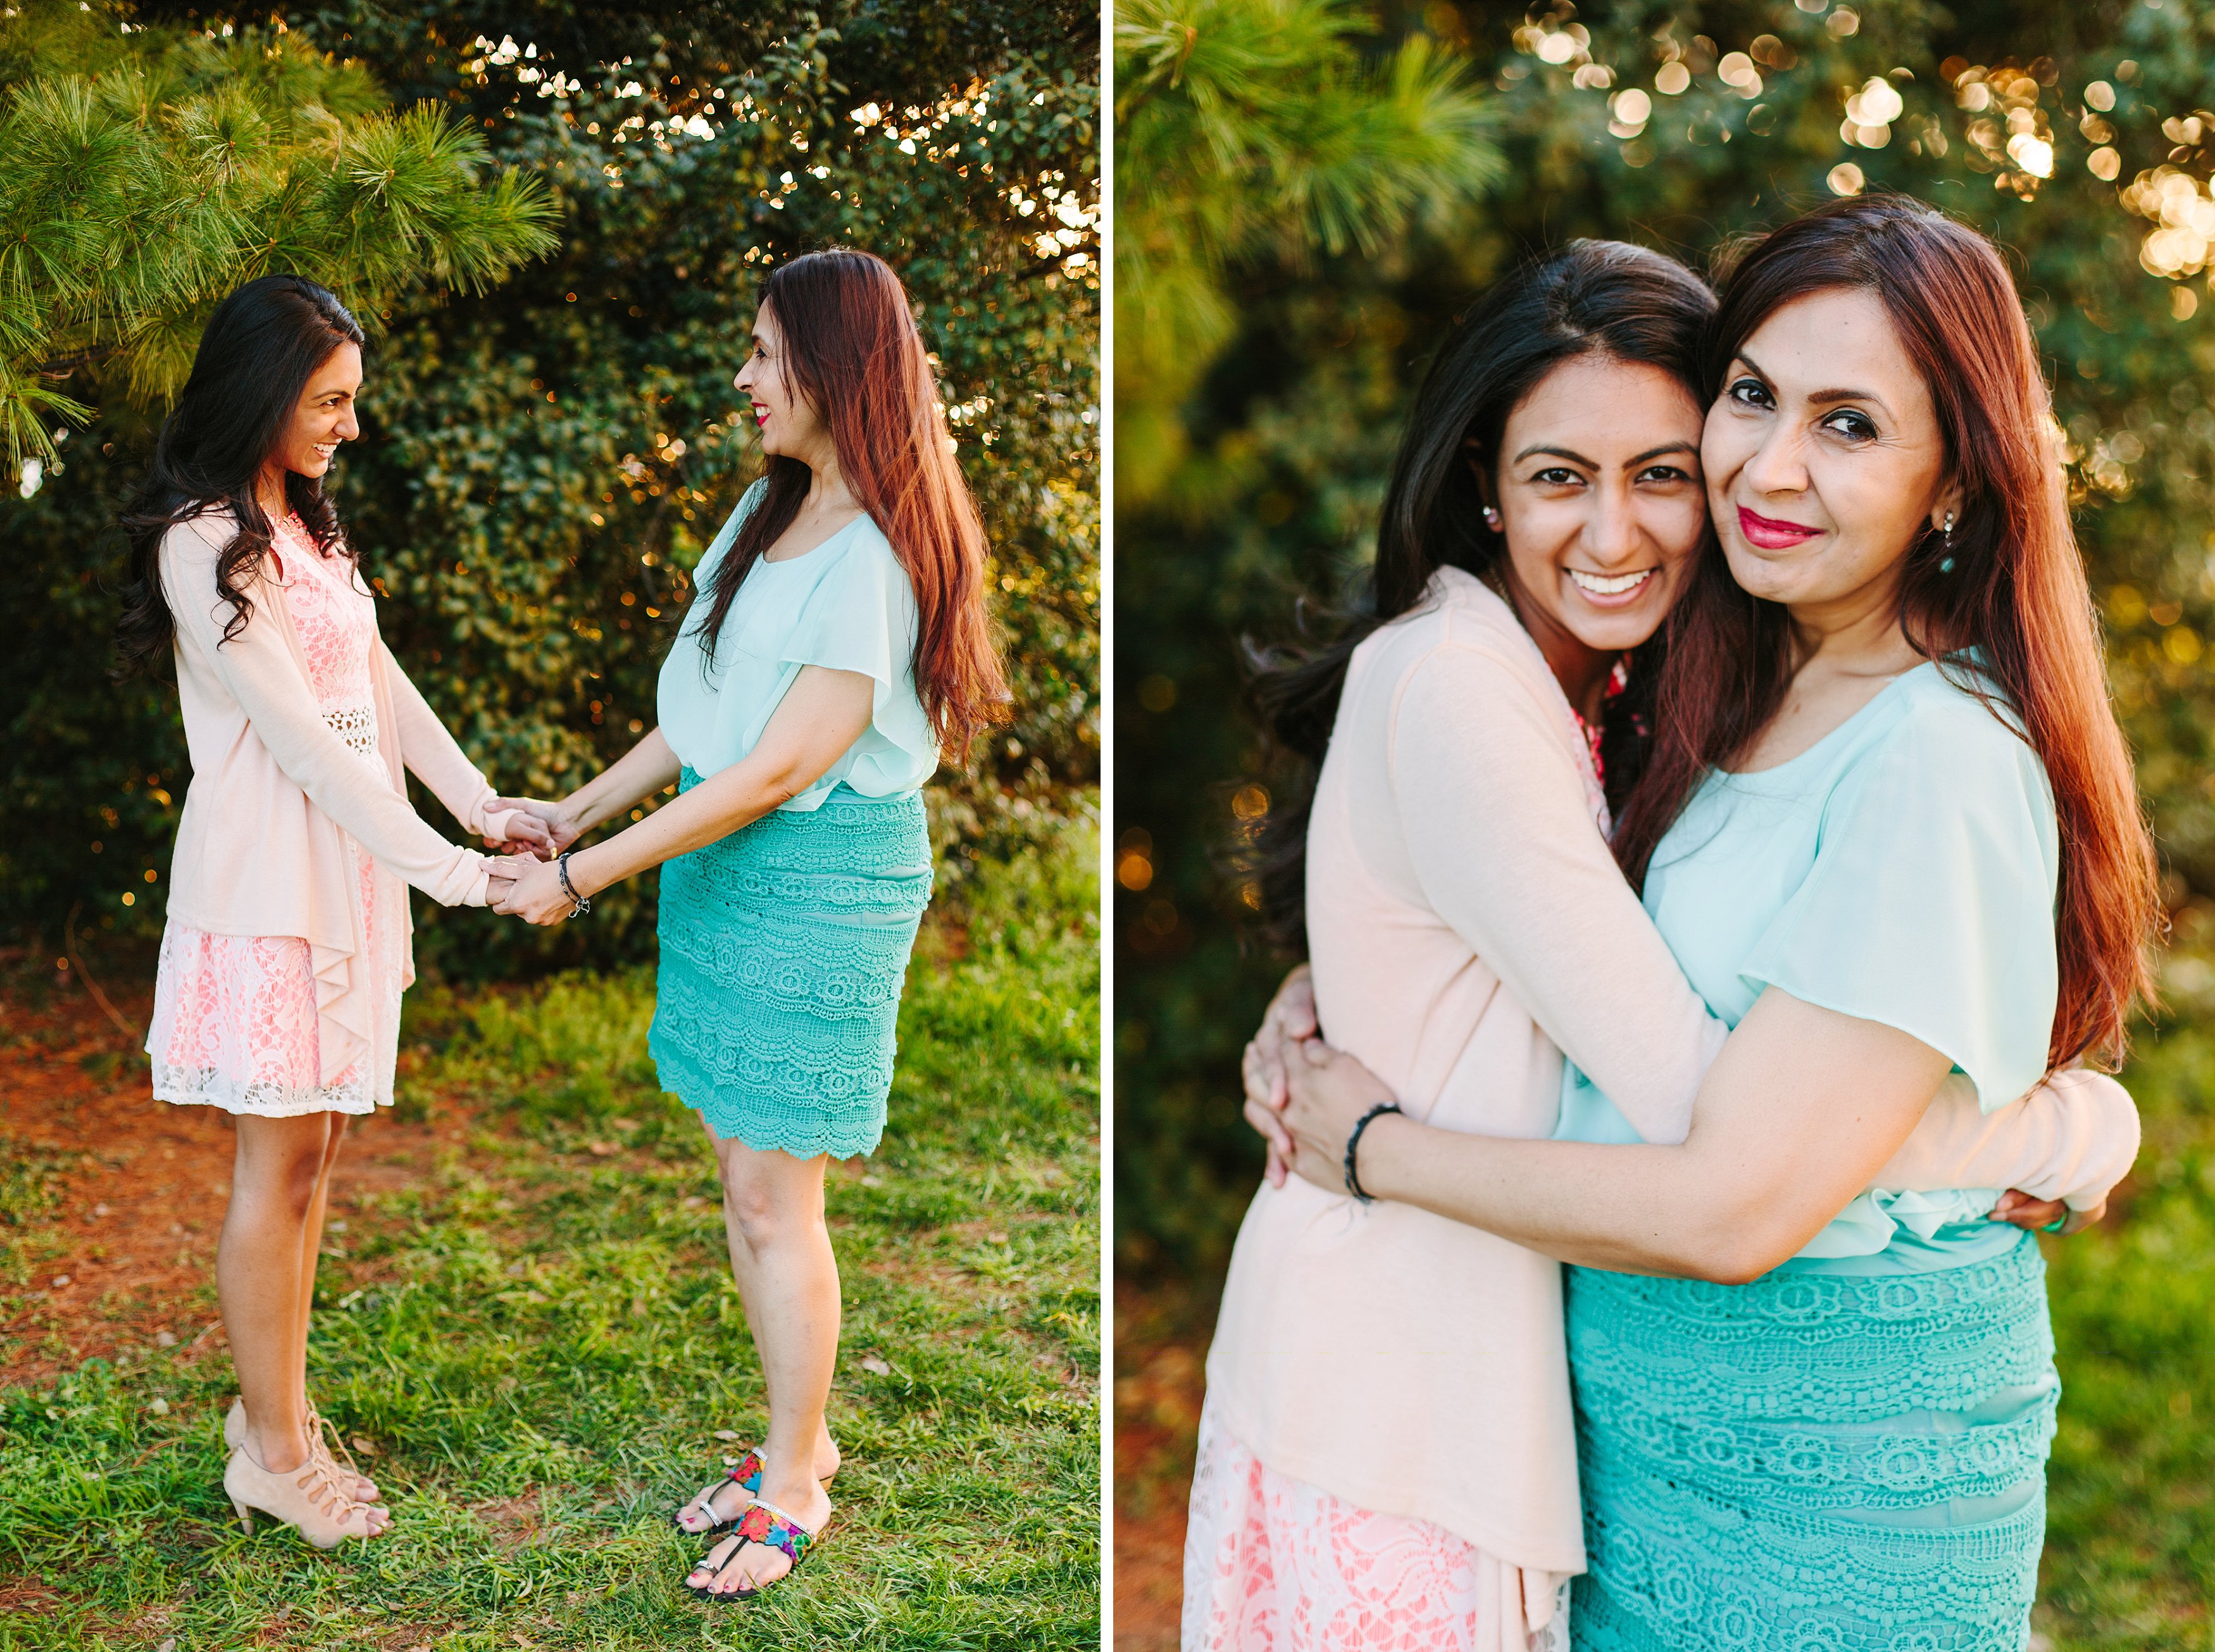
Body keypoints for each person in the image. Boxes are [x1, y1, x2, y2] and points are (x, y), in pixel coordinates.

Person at [1252, 197, 2159, 1650]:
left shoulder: (1934, 756)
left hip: (1836, 1458)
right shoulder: (1711, 679)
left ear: (1953, 480)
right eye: (1751, 397)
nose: (1770, 465)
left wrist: (1369, 1147)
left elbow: (1740, 1199)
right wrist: (1338, 986)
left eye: (1849, 425)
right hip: (1633, 1439)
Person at [489, 247, 1006, 1600]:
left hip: (820, 876)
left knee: (780, 1202)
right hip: (723, 870)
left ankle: (791, 1484)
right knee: (745, 1180)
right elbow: (700, 714)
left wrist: (586, 878)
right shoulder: (763, 515)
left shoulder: (883, 561)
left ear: (836, 370)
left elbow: (779, 770)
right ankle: (802, 1440)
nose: (744, 376)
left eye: (767, 351)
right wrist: (571, 810)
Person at [115, 275, 546, 1548]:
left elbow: (374, 680)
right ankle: (278, 1457)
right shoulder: (200, 539)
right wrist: (460, 878)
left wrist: (482, 808)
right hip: (268, 880)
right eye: (330, 403)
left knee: (315, 1163)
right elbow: (303, 746)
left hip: (353, 866)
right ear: (263, 391)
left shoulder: (305, 525)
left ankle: (275, 1422)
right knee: (278, 1163)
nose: (349, 428)